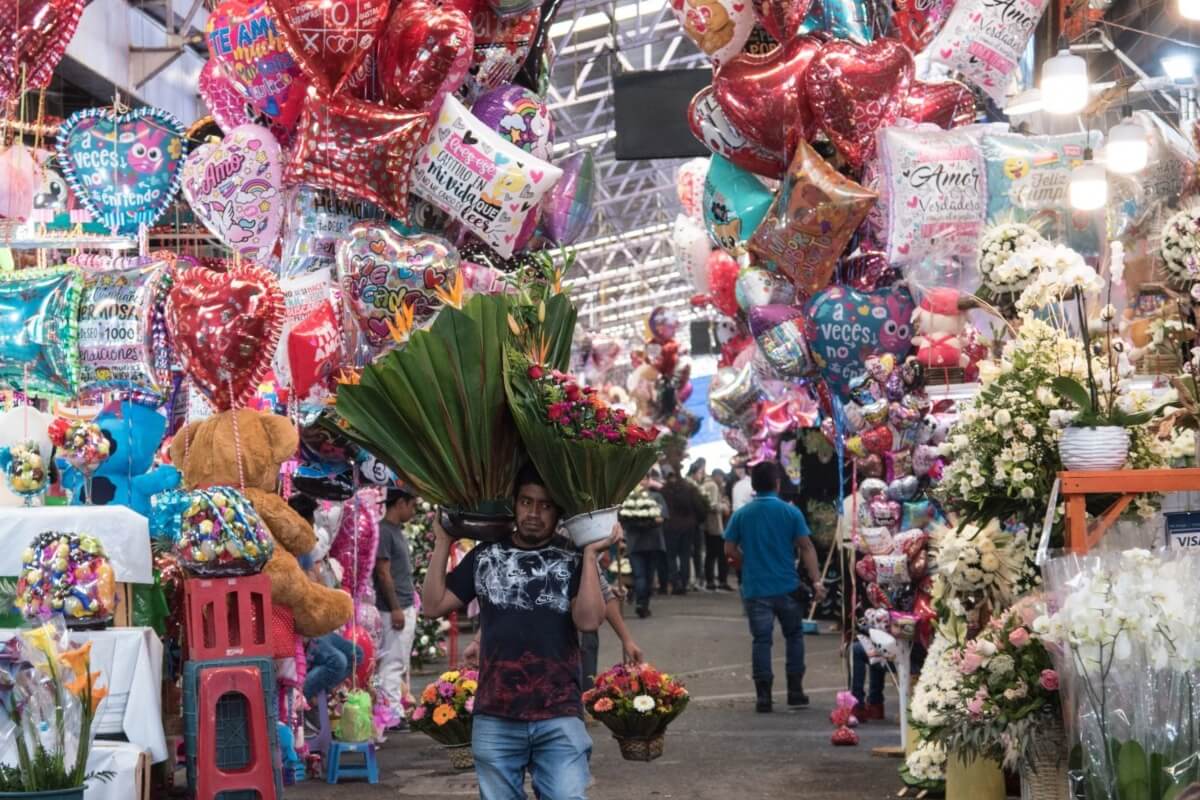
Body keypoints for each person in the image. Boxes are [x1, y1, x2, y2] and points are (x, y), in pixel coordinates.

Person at [421, 464, 614, 800]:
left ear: (558, 513)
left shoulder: (571, 558)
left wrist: (590, 553)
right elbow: (434, 604)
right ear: (514, 505)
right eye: (527, 502)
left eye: (545, 505)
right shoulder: (485, 555)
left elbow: (588, 620)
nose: (534, 513)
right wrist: (442, 542)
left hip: (558, 712)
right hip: (496, 713)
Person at [723, 461, 825, 713]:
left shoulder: (741, 515)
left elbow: (728, 550)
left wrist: (747, 562)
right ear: (778, 484)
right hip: (787, 586)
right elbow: (806, 547)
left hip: (756, 588)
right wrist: (816, 581)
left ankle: (764, 697)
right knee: (794, 636)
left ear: (754, 486)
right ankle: (795, 691)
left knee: (761, 640)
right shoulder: (791, 513)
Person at [374, 486, 419, 724]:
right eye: (412, 505)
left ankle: (393, 711)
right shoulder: (384, 531)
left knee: (397, 662)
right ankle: (391, 715)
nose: (413, 511)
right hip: (395, 607)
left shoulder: (393, 531)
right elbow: (383, 572)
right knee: (392, 663)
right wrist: (395, 608)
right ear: (400, 503)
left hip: (403, 603)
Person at [624, 467, 668, 617]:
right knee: (641, 575)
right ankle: (641, 604)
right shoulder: (628, 498)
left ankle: (642, 603)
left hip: (652, 543)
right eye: (639, 479)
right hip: (636, 543)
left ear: (649, 481)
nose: (642, 482)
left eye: (644, 479)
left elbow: (662, 518)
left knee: (647, 576)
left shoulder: (657, 497)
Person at [660, 465, 708, 595]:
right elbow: (699, 507)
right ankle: (684, 582)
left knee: (671, 556)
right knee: (685, 555)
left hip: (670, 526)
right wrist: (698, 520)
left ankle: (675, 583)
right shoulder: (689, 488)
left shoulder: (664, 490)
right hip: (688, 527)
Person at [701, 469, 732, 592]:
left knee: (710, 554)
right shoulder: (713, 486)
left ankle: (710, 580)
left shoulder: (705, 485)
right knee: (721, 554)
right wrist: (724, 506)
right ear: (717, 476)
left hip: (708, 526)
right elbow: (713, 505)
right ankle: (721, 580)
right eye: (722, 478)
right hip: (715, 525)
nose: (722, 481)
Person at [685, 460, 710, 590]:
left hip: (692, 524)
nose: (702, 475)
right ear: (694, 473)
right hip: (692, 524)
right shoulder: (691, 487)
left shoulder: (695, 485)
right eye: (700, 472)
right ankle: (695, 579)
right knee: (695, 552)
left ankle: (695, 579)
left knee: (695, 552)